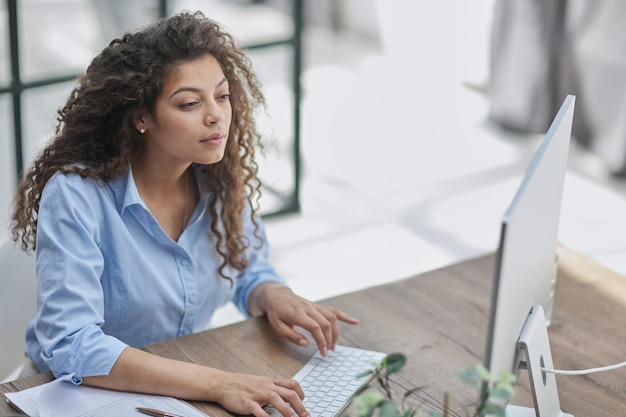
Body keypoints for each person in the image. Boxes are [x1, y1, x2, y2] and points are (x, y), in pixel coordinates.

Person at [10, 11, 358, 417]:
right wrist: (219, 383)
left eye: (223, 95)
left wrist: (274, 295)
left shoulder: (219, 178)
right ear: (141, 116)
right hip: (71, 395)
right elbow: (73, 344)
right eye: (190, 103)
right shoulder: (77, 195)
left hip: (176, 388)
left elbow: (246, 268)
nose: (216, 115)